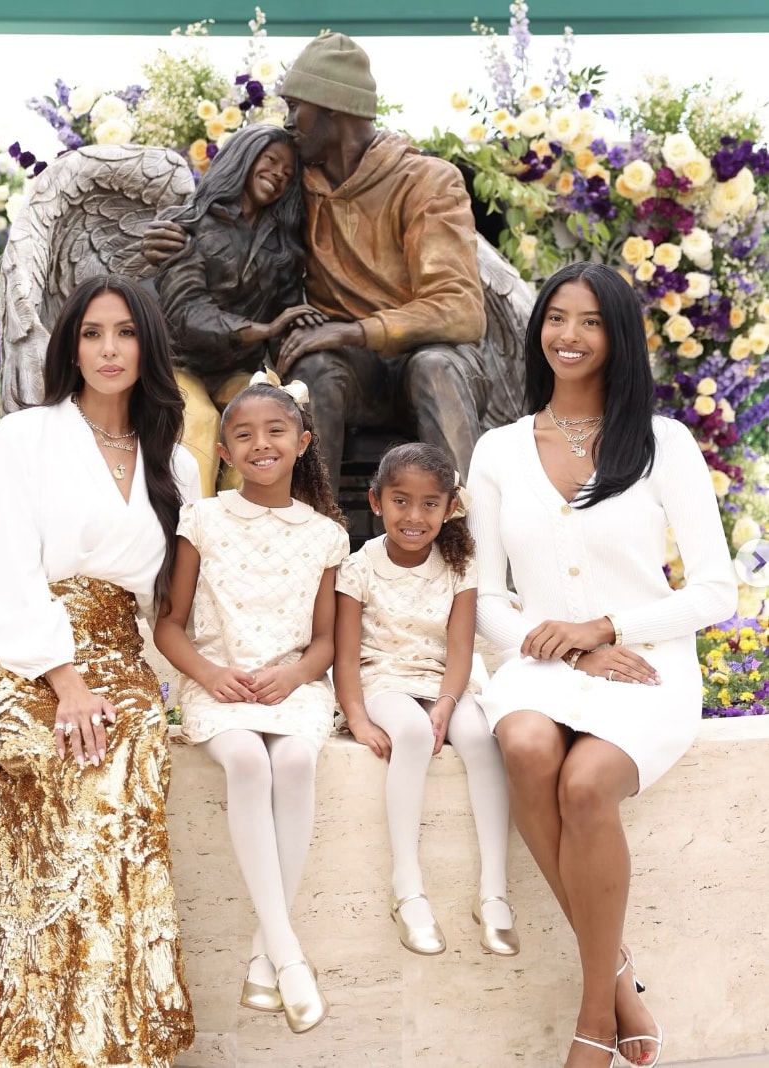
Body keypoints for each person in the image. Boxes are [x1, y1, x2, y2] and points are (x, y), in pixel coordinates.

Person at [465, 262, 737, 1068]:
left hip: (644, 666)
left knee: (585, 787)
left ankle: (591, 1019)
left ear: (618, 337)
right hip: (538, 663)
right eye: (556, 318)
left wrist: (608, 625)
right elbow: (480, 595)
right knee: (524, 747)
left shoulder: (664, 445)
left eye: (589, 321)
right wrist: (552, 638)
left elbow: (717, 591)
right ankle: (614, 978)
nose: (569, 336)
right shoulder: (499, 451)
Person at [0, 275, 200, 1067]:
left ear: (147, 346)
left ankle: (107, 1042)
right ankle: (50, 1040)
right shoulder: (28, 436)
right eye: (91, 334)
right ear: (70, 346)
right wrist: (65, 681)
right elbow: (6, 572)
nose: (108, 350)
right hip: (15, 648)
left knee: (127, 754)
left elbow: (174, 605)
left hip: (117, 654)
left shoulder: (177, 464)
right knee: (86, 763)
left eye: (124, 333)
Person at [153, 370, 349, 1035]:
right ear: (224, 454)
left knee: (294, 763)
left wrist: (295, 677)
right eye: (243, 434)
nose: (260, 444)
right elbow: (170, 625)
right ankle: (287, 958)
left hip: (293, 688)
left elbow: (325, 642)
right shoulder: (202, 519)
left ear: (302, 441)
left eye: (275, 431)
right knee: (246, 762)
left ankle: (266, 958)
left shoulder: (325, 534)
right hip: (219, 687)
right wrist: (209, 674)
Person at [275, 31, 489, 493]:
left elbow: (461, 309)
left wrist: (352, 330)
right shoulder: (293, 182)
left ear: (332, 106)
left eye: (296, 107)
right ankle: (312, 545)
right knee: (311, 374)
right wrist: (182, 235)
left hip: (437, 363)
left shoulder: (428, 181)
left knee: (433, 368)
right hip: (356, 374)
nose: (288, 122)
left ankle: (471, 544)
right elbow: (230, 223)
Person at [334, 443, 518, 958]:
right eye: (400, 501)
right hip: (382, 680)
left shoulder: (460, 567)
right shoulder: (358, 566)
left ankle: (495, 891)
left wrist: (446, 702)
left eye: (429, 503)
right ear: (375, 502)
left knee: (482, 737)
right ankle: (408, 889)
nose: (414, 516)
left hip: (443, 679)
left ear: (449, 508)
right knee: (412, 734)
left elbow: (460, 650)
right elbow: (345, 659)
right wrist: (357, 717)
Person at [154, 123, 323, 497]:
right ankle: (192, 537)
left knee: (260, 422)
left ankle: (249, 535)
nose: (278, 175)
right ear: (244, 158)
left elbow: (289, 312)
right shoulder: (191, 225)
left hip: (237, 370)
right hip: (180, 365)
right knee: (199, 421)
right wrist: (264, 329)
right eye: (271, 161)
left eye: (287, 174)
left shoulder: (283, 249)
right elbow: (186, 313)